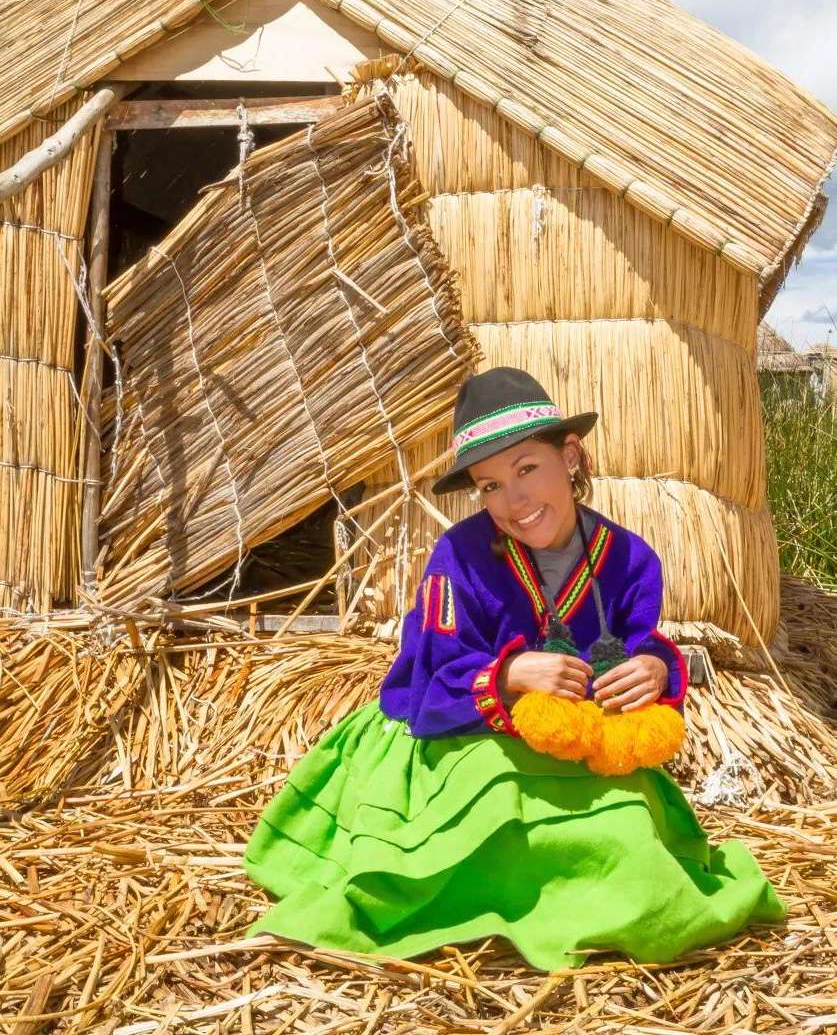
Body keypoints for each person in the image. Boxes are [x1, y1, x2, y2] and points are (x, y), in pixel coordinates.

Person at [244, 367, 786, 969]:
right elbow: (424, 680)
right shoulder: (458, 557)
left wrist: (654, 671)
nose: (515, 501)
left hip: (575, 744)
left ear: (570, 457)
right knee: (493, 803)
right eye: (491, 485)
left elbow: (642, 645)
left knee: (626, 826)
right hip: (463, 736)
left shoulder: (631, 560)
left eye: (527, 468)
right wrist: (508, 676)